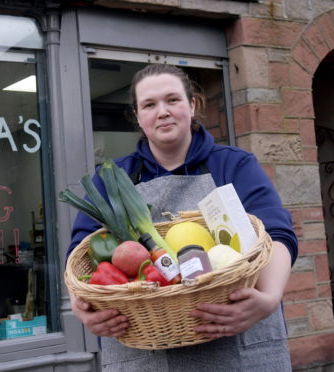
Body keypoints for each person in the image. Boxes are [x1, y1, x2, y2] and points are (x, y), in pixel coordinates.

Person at [66, 64, 297, 371]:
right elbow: (79, 253)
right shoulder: (113, 179)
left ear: (191, 105)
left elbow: (277, 234)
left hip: (237, 344)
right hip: (146, 356)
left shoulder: (234, 165)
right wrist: (84, 311)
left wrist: (268, 297)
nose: (162, 111)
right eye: (149, 104)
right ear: (137, 115)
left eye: (172, 100)